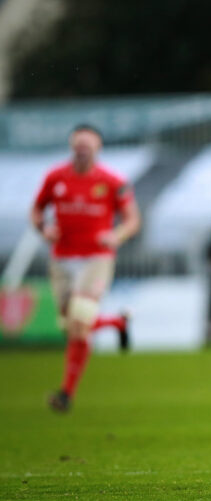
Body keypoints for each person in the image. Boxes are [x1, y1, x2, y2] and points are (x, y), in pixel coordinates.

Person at [31, 124, 141, 412]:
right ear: (72, 146)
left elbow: (132, 219)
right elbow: (36, 209)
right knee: (72, 325)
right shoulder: (55, 177)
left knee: (80, 320)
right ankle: (117, 323)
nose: (83, 150)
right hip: (62, 258)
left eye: (88, 145)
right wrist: (44, 227)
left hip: (97, 258)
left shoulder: (112, 181)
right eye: (78, 144)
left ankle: (66, 394)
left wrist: (116, 236)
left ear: (98, 149)